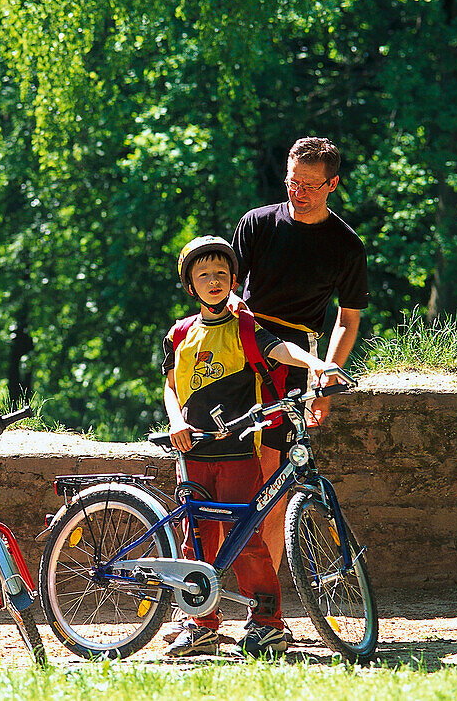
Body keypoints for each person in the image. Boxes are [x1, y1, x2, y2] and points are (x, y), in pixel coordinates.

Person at [161, 236, 333, 658]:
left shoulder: (243, 325)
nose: (214, 280)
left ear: (234, 279)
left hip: (238, 451)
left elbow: (281, 349)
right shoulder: (179, 334)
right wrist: (177, 421)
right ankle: (200, 624)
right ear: (190, 286)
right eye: (203, 275)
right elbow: (169, 386)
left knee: (247, 538)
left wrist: (314, 363)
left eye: (222, 273)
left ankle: (266, 623)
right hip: (193, 453)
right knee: (195, 539)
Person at [230, 136, 369, 584]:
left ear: (333, 184)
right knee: (215, 472)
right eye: (293, 181)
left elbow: (348, 319)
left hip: (295, 362)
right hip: (239, 349)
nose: (299, 191)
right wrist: (244, 321)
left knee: (274, 484)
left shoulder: (346, 245)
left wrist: (324, 386)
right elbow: (227, 289)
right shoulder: (256, 223)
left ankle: (264, 607)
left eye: (310, 184)